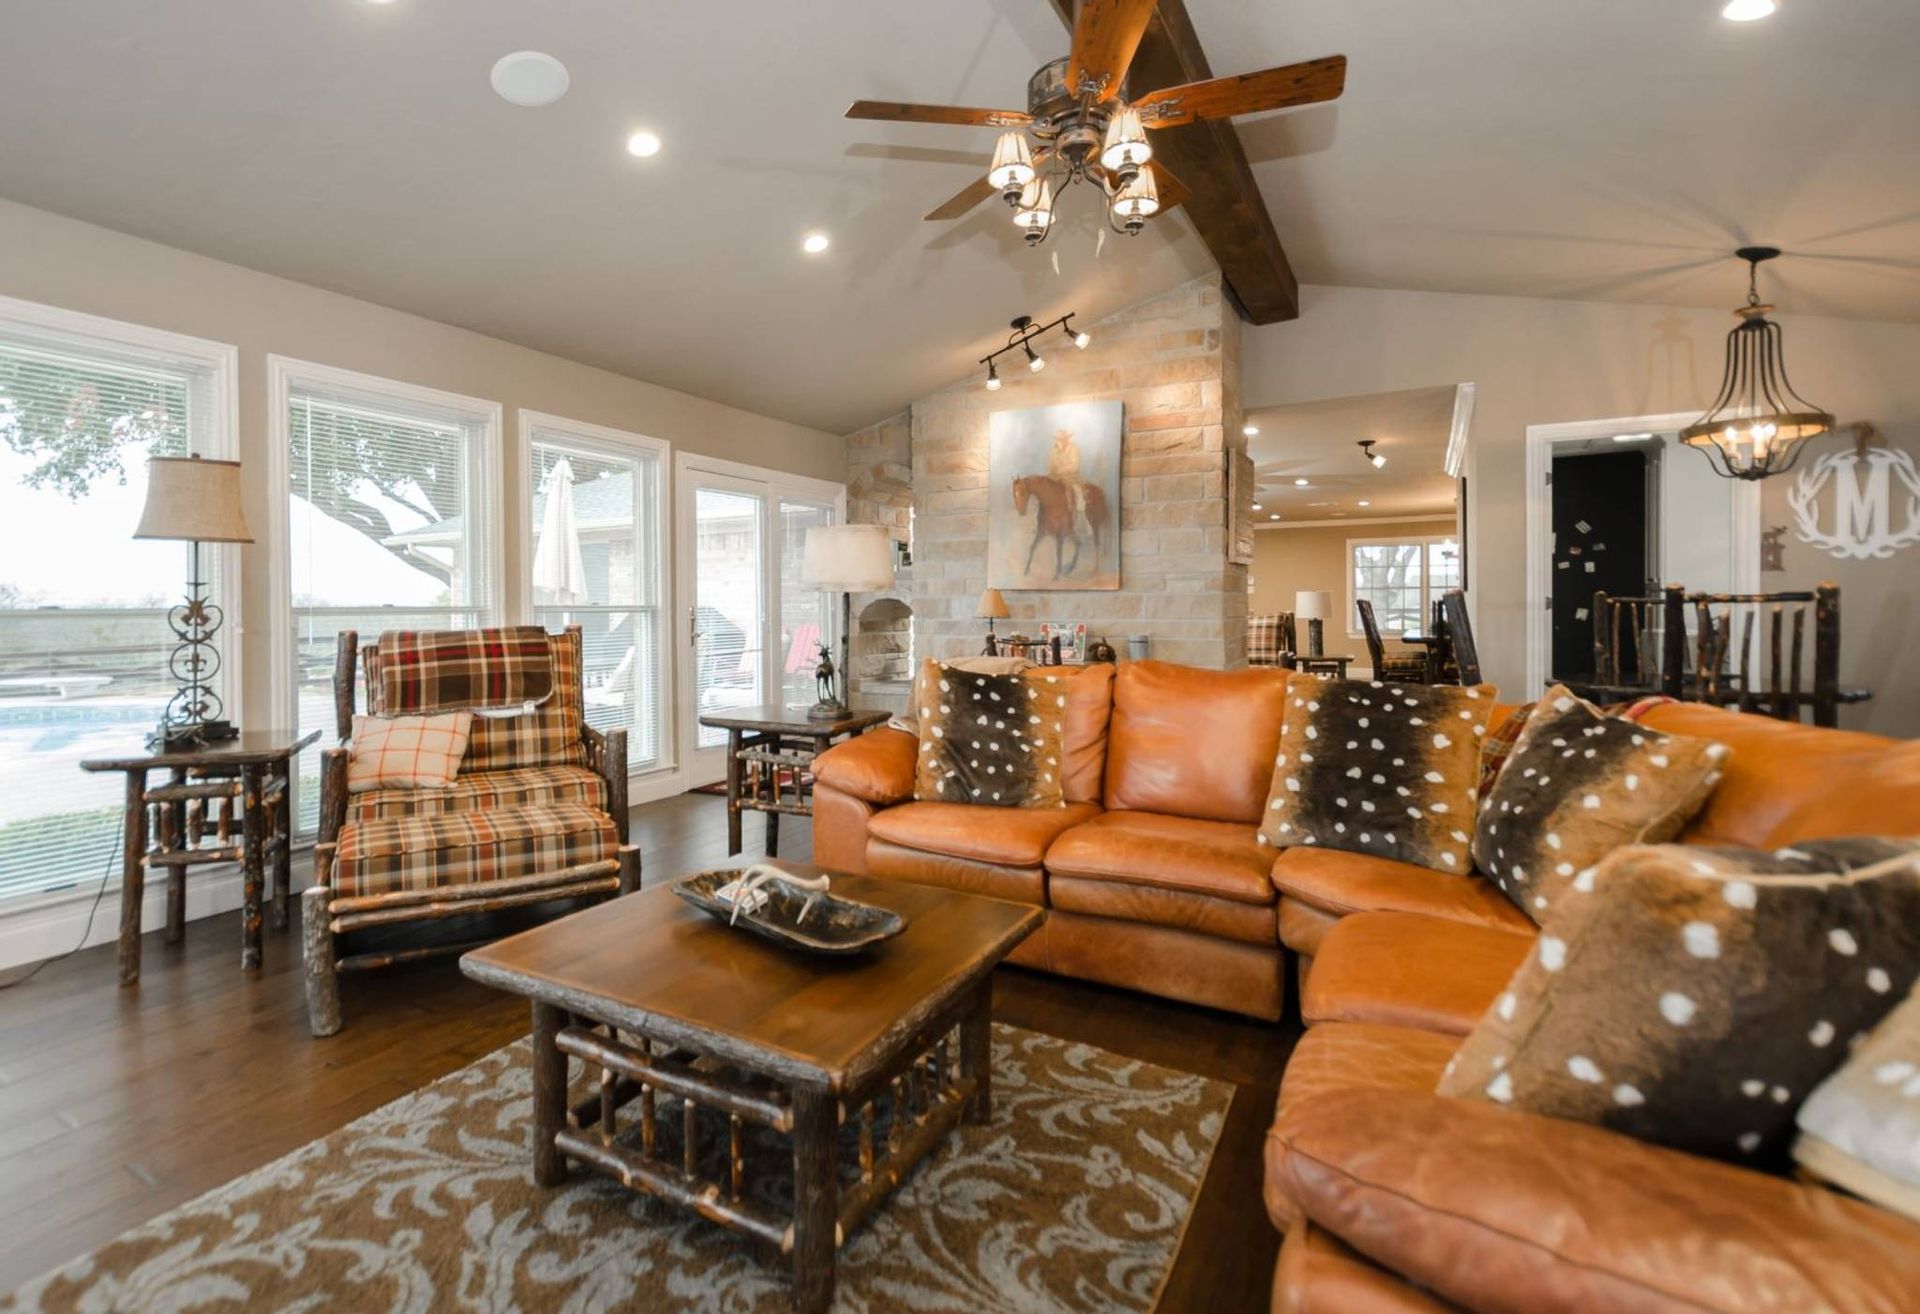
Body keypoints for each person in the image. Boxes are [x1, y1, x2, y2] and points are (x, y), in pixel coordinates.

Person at [1047, 427, 1092, 538]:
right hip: (1055, 477)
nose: (1062, 440)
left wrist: (1060, 470)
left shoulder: (1074, 449)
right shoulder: (1054, 450)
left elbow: (1074, 465)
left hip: (1071, 477)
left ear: (1068, 438)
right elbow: (1051, 464)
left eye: (1064, 438)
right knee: (1043, 492)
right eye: (1060, 438)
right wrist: (1054, 471)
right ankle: (1039, 522)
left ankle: (1082, 523)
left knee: (1078, 494)